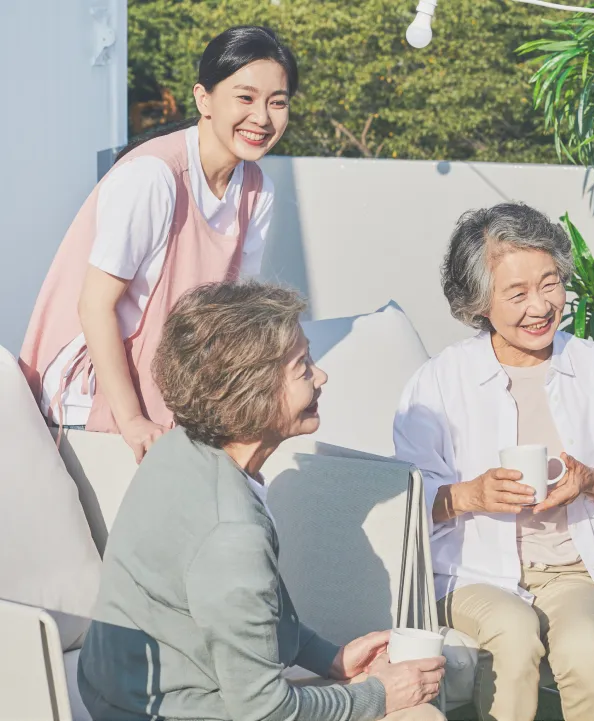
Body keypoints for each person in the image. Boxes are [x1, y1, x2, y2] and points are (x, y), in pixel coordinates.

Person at [77, 281, 446, 721]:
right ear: (249, 391)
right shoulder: (232, 534)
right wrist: (382, 695)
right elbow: (267, 712)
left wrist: (330, 658)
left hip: (119, 692)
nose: (321, 376)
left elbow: (247, 609)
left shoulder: (179, 449)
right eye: (303, 366)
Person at [393, 203, 594, 721]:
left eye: (549, 284)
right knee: (514, 633)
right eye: (517, 293)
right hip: (469, 571)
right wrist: (470, 495)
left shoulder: (593, 367)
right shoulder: (440, 382)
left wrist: (591, 481)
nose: (540, 306)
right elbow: (401, 504)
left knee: (589, 656)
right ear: (478, 303)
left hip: (568, 568)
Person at [19, 25, 295, 462]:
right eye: (245, 98)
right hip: (91, 398)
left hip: (167, 386)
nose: (262, 117)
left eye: (276, 102)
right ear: (204, 99)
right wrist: (133, 421)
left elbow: (233, 313)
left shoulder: (257, 189)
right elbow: (94, 306)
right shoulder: (154, 177)